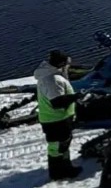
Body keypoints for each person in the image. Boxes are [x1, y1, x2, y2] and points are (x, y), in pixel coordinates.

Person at [35, 50, 82, 180]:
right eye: (66, 63)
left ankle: (66, 168)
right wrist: (76, 96)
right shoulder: (52, 80)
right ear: (61, 64)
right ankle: (58, 172)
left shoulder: (49, 75)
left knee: (62, 144)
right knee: (57, 146)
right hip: (56, 119)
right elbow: (57, 102)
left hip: (57, 118)